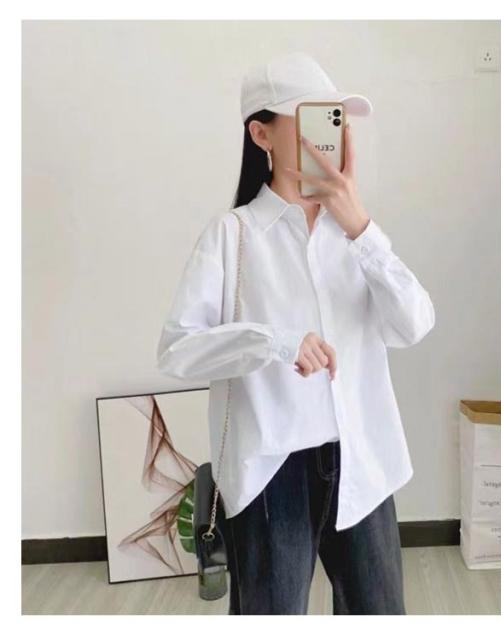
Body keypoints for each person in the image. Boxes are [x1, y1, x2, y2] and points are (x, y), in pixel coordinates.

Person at [156, 51, 436, 614]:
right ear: (261, 134)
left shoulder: (355, 236)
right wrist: (275, 341)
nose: (328, 133)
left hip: (362, 454)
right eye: (309, 117)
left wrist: (360, 226)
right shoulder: (232, 235)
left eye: (335, 117)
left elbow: (414, 323)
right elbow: (177, 351)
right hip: (271, 470)